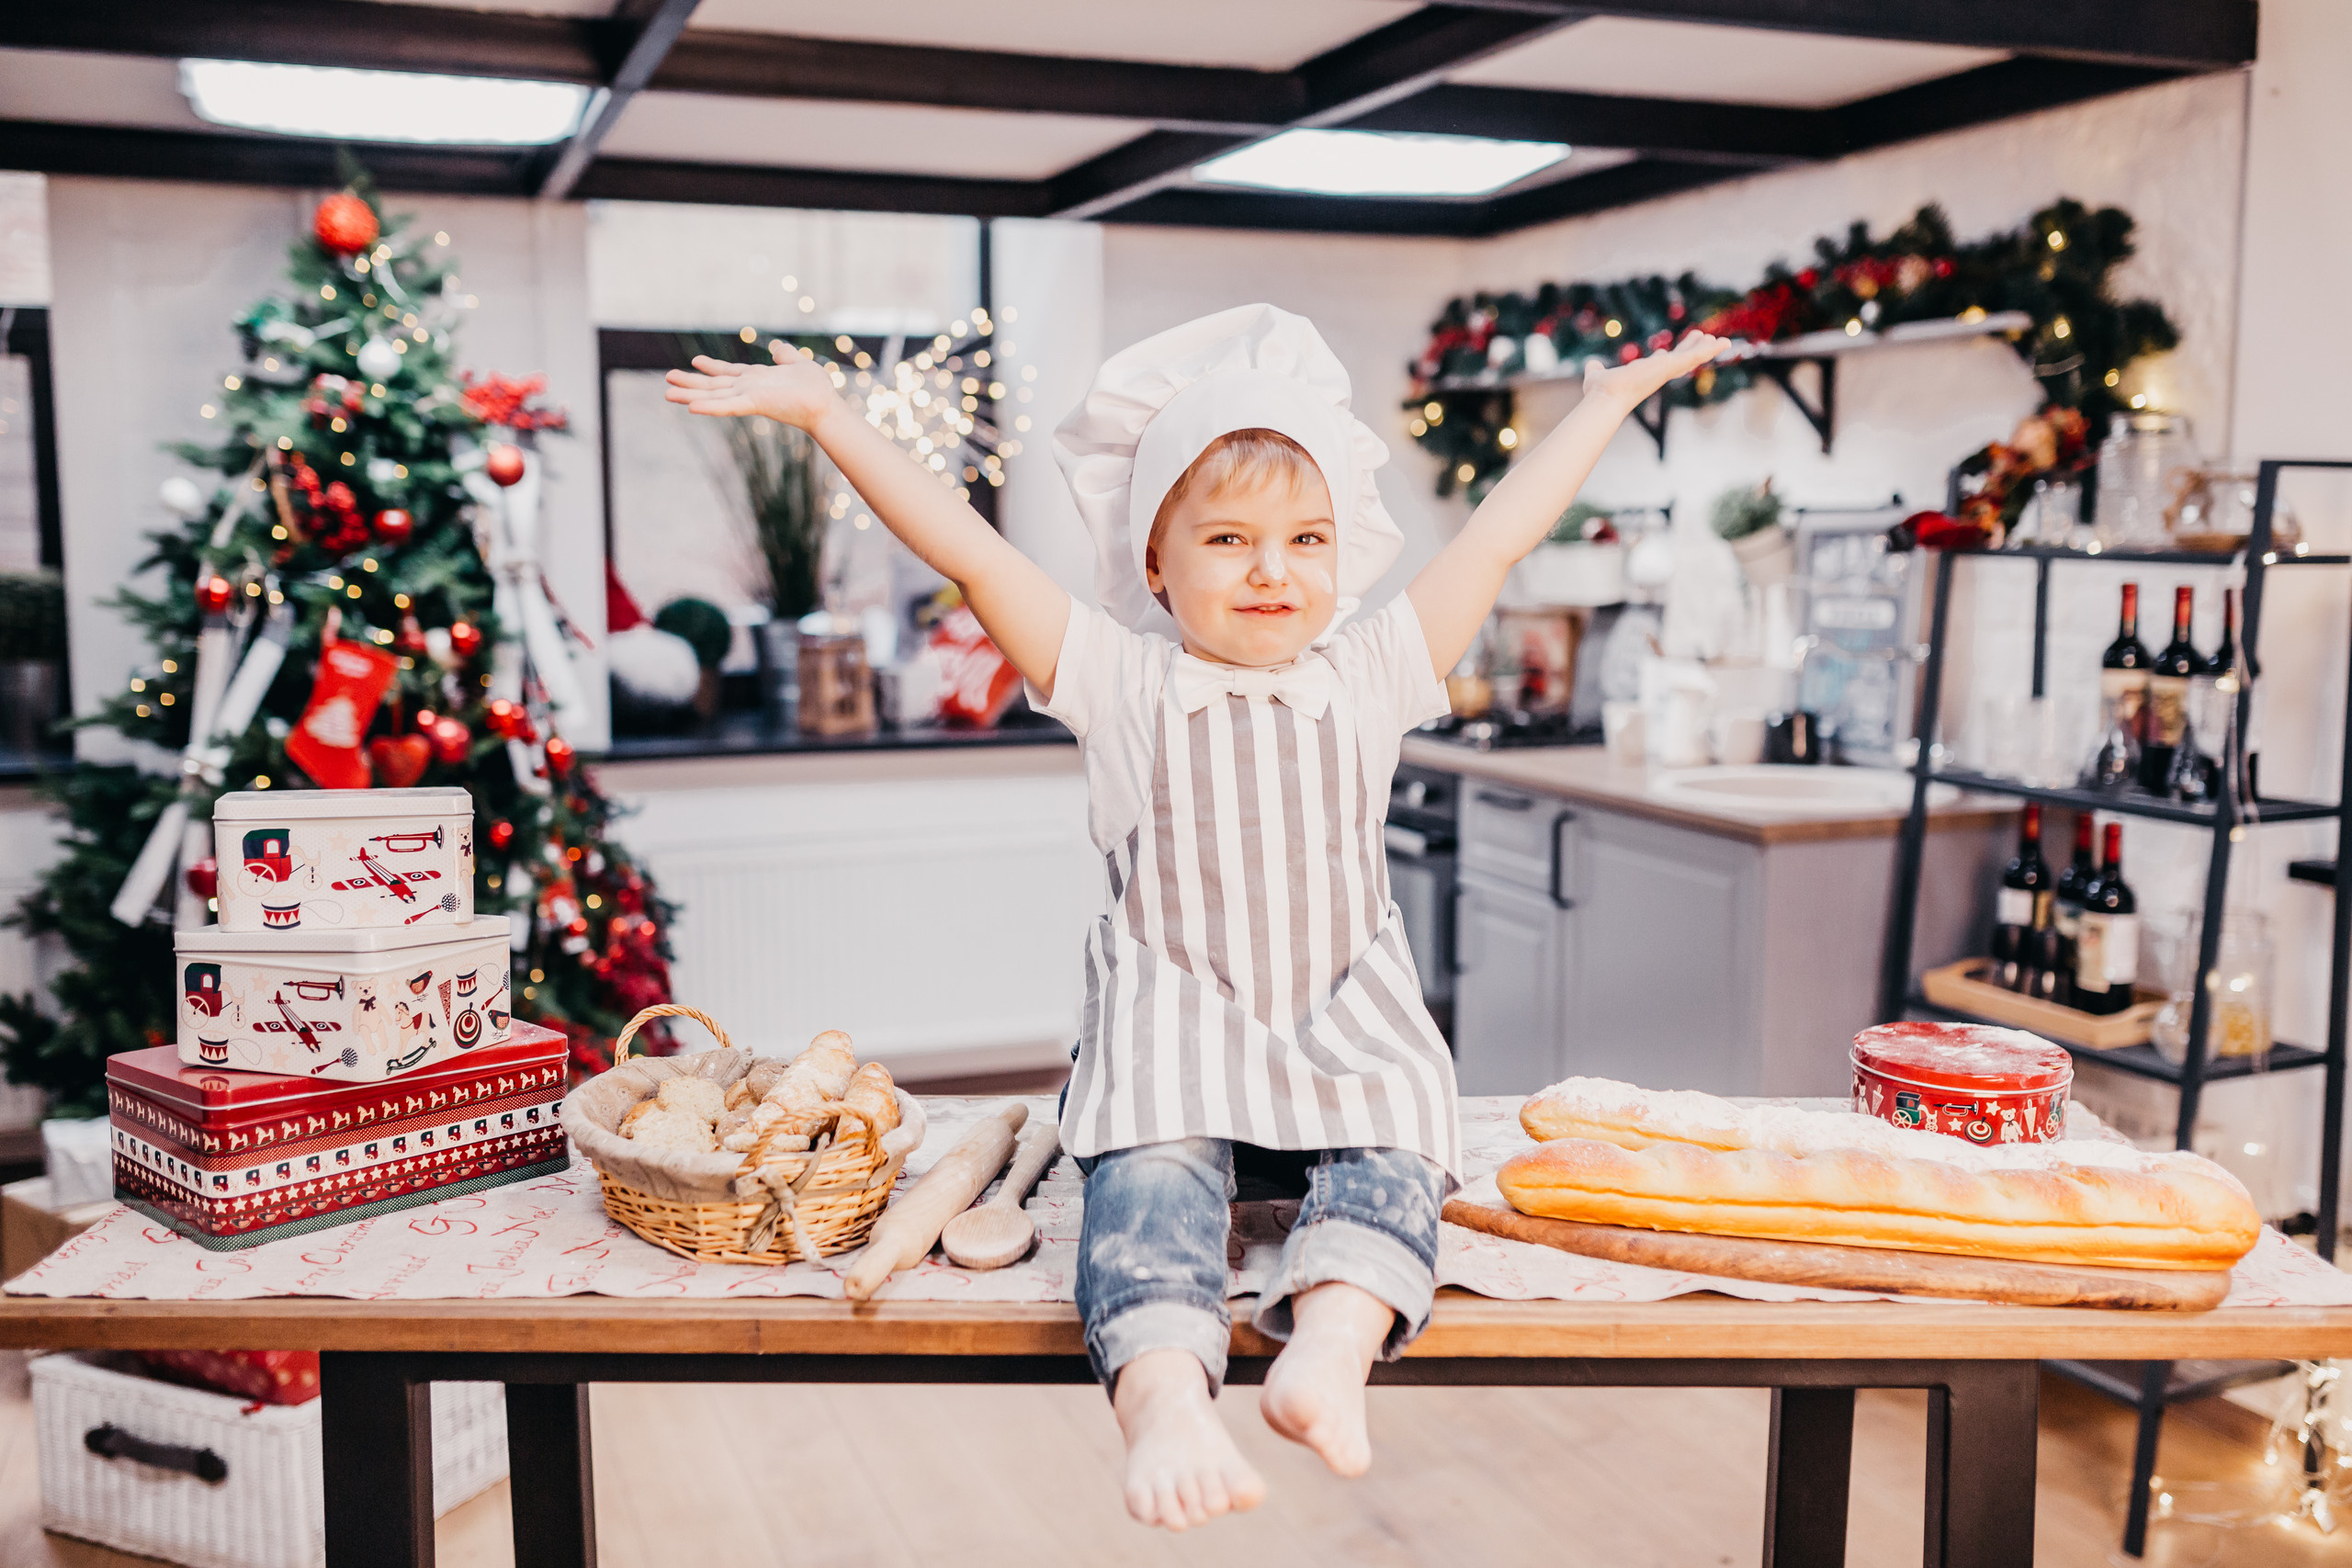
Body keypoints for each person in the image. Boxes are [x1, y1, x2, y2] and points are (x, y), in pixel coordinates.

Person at [667, 305, 1726, 1530]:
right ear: (1157, 565)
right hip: (1181, 1025)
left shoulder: (1375, 669)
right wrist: (831, 419)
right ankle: (1164, 1394)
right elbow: (968, 552)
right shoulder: (1118, 678)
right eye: (1229, 538)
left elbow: (1495, 541)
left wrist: (1601, 406)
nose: (1274, 569)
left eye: (1305, 538)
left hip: (1342, 1026)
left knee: (1403, 1153)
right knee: (1152, 1179)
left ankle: (1334, 1333)